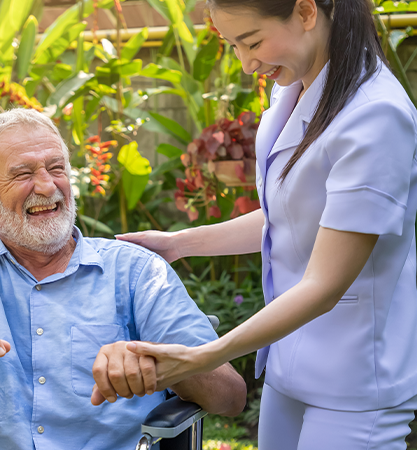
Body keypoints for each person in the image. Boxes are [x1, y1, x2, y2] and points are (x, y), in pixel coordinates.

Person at [0, 108, 246, 449]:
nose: (46, 185)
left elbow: (231, 395)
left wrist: (163, 364)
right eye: (22, 174)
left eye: (57, 168)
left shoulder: (136, 271)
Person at [114, 0, 417, 448]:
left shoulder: (375, 116)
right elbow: (290, 216)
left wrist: (203, 358)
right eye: (233, 45)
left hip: (354, 381)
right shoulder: (295, 87)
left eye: (252, 41)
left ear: (306, 11)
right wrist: (176, 244)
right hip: (290, 365)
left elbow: (324, 285)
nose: (245, 62)